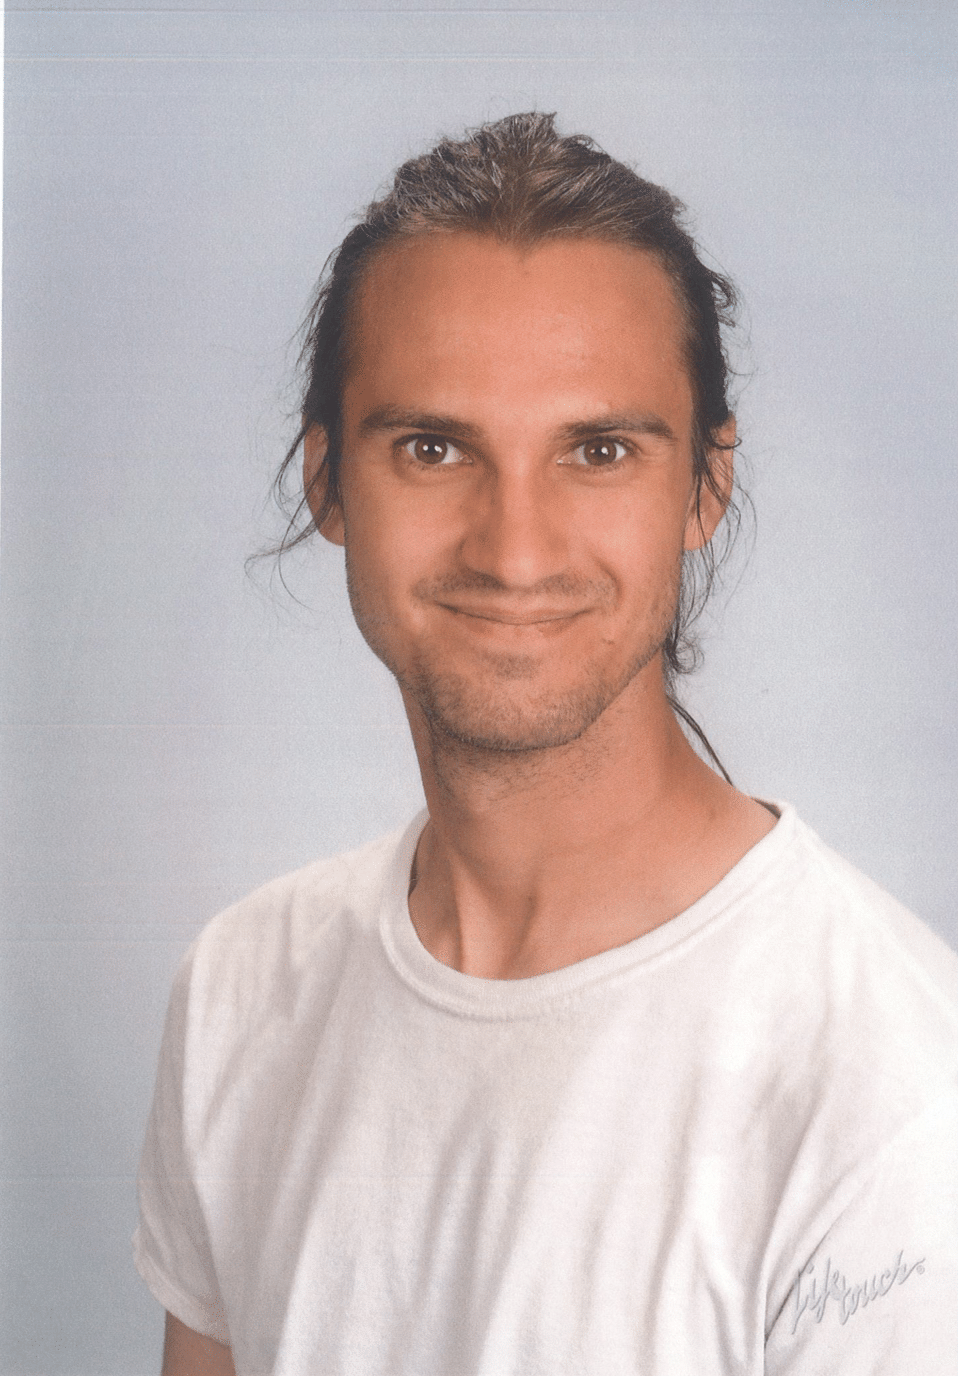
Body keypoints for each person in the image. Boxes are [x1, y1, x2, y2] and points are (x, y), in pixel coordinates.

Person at [135, 113, 957, 1375]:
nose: (514, 549)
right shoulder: (242, 989)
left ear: (702, 489)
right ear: (326, 484)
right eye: (432, 446)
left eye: (596, 449)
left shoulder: (894, 1083)